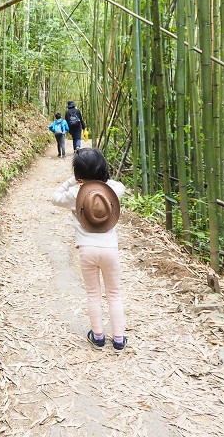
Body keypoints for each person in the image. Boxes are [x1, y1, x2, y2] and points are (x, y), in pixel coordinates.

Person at [50, 147, 128, 350]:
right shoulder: (112, 191)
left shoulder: (76, 195)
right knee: (114, 294)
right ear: (103, 169)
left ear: (78, 174)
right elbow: (121, 186)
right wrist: (103, 181)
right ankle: (119, 339)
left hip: (87, 250)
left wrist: (73, 181)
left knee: (93, 293)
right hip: (110, 249)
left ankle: (99, 337)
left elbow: (55, 196)